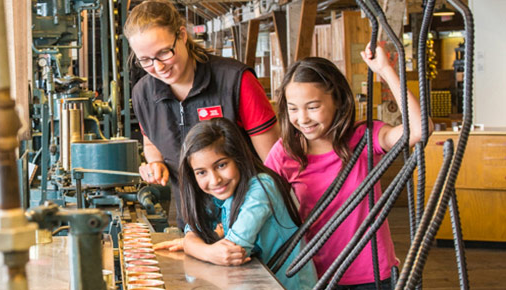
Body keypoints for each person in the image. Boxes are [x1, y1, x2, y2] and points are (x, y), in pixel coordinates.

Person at [264, 45, 429, 288]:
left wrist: (385, 70)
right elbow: (259, 199)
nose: (303, 118)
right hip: (316, 274)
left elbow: (420, 129)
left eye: (313, 107)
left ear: (338, 101)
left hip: (373, 274)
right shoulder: (286, 151)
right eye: (293, 109)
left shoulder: (364, 138)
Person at [125, 0, 280, 228]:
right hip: (193, 224)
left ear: (182, 35)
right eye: (146, 60)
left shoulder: (235, 81)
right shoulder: (143, 94)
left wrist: (247, 224)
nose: (158, 67)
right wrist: (156, 162)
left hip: (252, 221)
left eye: (164, 53)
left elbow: (274, 164)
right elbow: (150, 141)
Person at [153, 118, 317, 289]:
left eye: (221, 165)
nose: (214, 180)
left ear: (238, 158)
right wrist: (195, 243)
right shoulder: (221, 192)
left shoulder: (261, 187)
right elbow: (195, 230)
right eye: (201, 172)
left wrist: (191, 245)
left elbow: (232, 251)